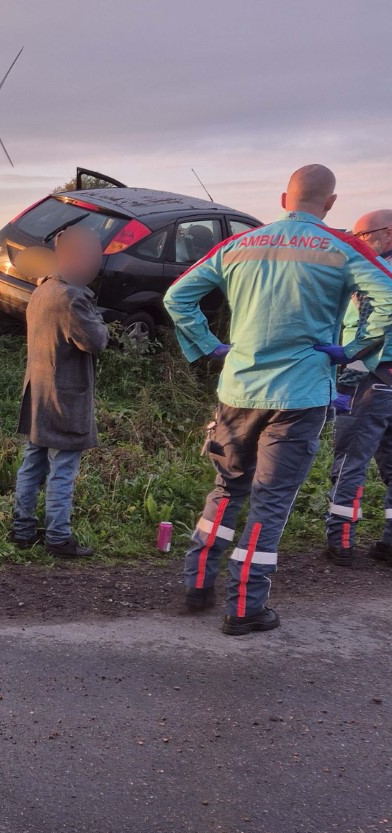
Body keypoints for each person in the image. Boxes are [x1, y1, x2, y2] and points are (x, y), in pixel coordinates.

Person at [165, 165, 392, 635]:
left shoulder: (238, 244)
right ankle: (246, 607)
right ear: (330, 203)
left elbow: (177, 296)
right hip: (300, 394)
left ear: (283, 198)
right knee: (270, 502)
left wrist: (208, 346)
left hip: (238, 391)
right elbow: (387, 298)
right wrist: (355, 350)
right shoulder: (342, 246)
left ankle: (196, 584)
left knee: (227, 488)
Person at [12, 225, 108, 558]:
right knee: (63, 468)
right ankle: (57, 537)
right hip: (65, 398)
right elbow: (95, 342)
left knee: (33, 463)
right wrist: (102, 322)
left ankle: (22, 531)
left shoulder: (41, 291)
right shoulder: (72, 296)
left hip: (37, 393)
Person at [325, 209, 392, 566]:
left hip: (371, 379)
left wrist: (345, 388)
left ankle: (341, 542)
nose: (357, 242)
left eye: (363, 235)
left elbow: (366, 335)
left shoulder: (375, 278)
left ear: (389, 234)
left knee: (350, 461)